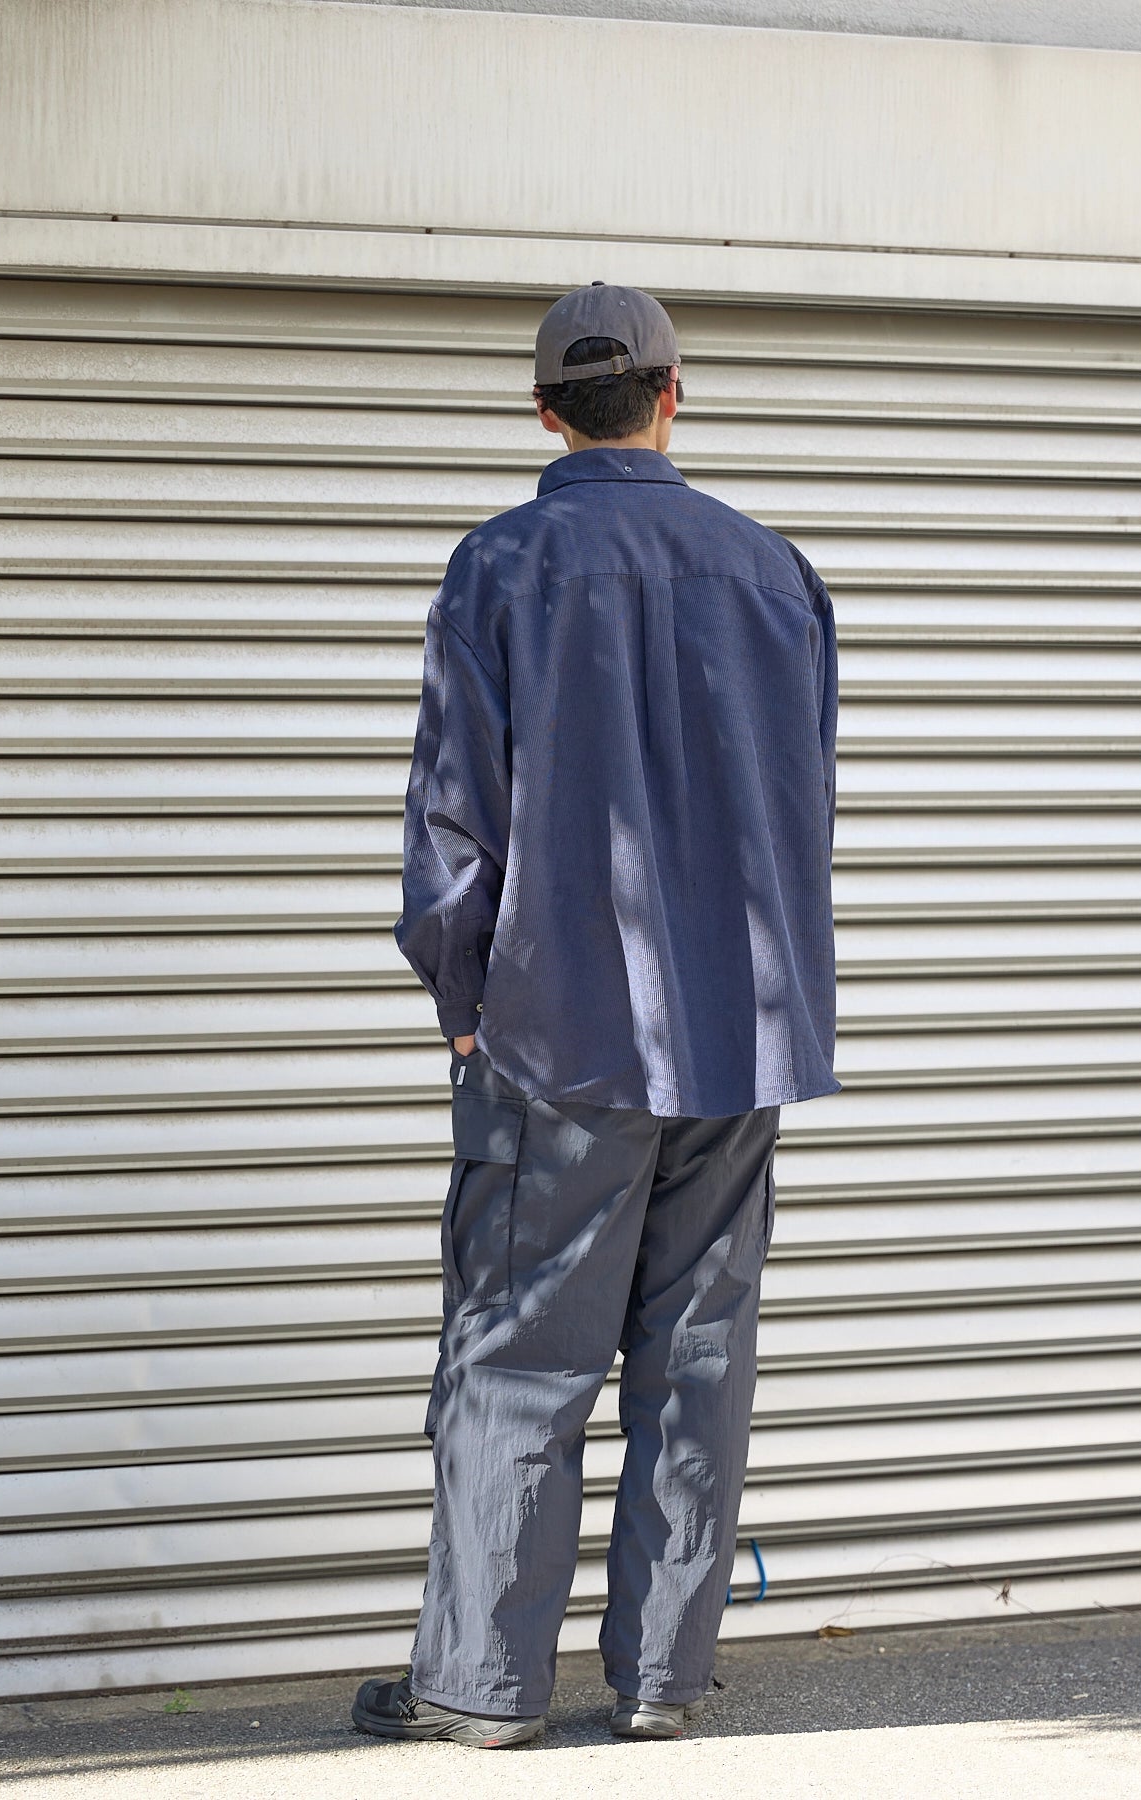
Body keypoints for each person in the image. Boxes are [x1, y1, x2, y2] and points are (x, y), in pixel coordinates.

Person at [352, 282, 839, 1749]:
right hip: (734, 1036)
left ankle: (483, 1689)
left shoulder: (500, 567)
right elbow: (804, 805)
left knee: (520, 1353)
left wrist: (458, 991)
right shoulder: (774, 573)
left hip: (556, 1029)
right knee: (699, 1353)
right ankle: (662, 1683)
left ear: (546, 411)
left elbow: (455, 813)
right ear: (675, 393)